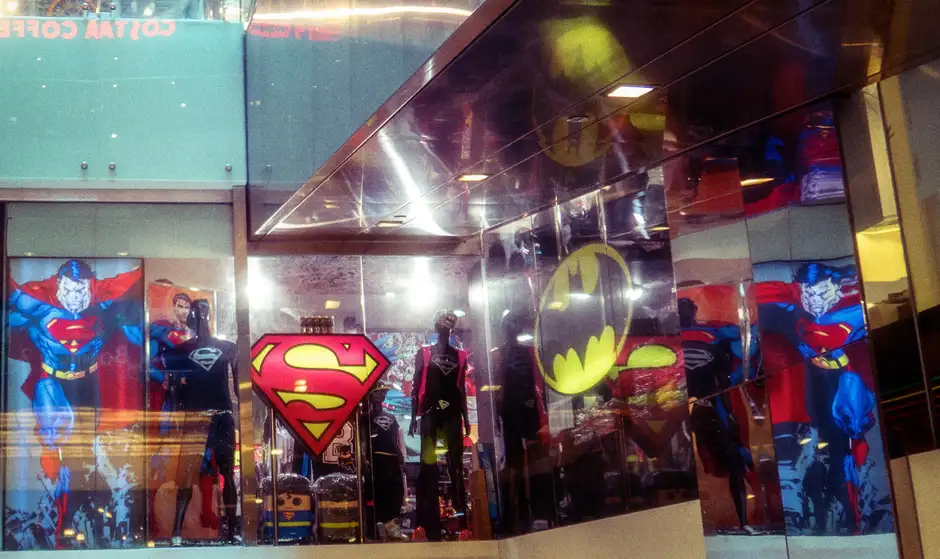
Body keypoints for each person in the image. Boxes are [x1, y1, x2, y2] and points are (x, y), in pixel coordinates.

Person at [9, 259, 142, 547]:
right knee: (55, 442)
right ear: (58, 286)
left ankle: (75, 515)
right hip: (52, 380)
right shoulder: (35, 304)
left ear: (90, 287)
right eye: (69, 290)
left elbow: (136, 330)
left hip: (87, 382)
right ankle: (57, 517)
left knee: (82, 452)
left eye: (81, 291)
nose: (75, 298)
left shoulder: (104, 306)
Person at [409, 310, 470, 541]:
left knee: (456, 468)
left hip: (452, 414)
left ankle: (462, 523)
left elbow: (462, 389)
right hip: (430, 414)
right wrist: (413, 418)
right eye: (442, 326)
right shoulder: (424, 352)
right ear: (436, 328)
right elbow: (416, 386)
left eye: (449, 327)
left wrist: (466, 419)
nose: (446, 331)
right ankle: (428, 525)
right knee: (428, 469)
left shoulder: (461, 355)